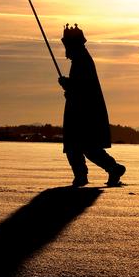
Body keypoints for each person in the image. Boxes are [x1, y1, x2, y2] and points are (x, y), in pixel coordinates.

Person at [59, 24, 125, 187]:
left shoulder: (81, 60)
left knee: (81, 147)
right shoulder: (81, 58)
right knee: (83, 147)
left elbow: (82, 87)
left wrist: (67, 84)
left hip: (83, 113)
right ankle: (103, 170)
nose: (65, 48)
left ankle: (102, 171)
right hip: (82, 110)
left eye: (67, 44)